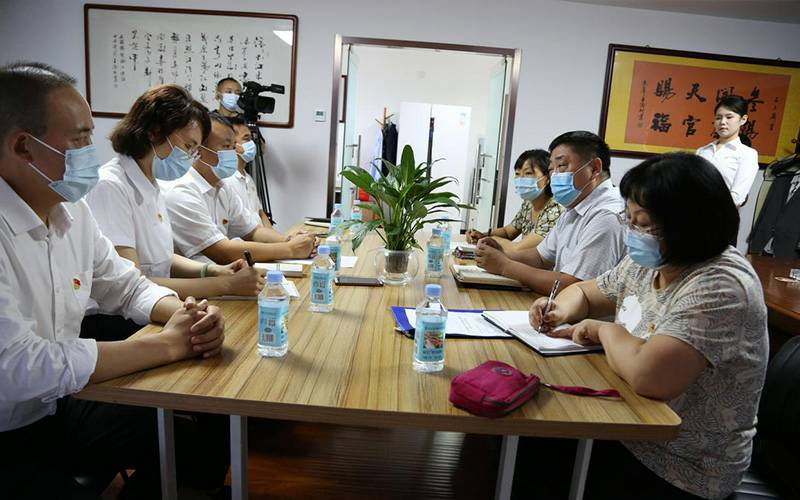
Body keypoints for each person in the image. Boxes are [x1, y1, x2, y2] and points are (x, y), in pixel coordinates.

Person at [0, 62, 229, 498]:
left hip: (58, 405)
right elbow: (15, 367)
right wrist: (166, 344)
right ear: (24, 146)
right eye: (79, 140)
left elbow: (125, 283)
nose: (92, 151)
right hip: (9, 430)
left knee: (189, 437)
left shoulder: (71, 210)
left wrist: (186, 315)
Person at [528, 152, 768, 499]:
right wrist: (558, 309)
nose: (633, 232)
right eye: (629, 220)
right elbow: (585, 292)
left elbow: (650, 377)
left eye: (643, 223)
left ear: (690, 224)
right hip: (625, 427)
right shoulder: (653, 260)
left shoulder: (722, 284)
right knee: (528, 442)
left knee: (537, 459)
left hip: (682, 465)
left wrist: (605, 331)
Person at [86, 84, 264, 307]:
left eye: (194, 149)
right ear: (154, 131)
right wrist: (226, 284)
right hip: (120, 315)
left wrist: (213, 271)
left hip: (155, 303)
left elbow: (162, 259)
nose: (190, 156)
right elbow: (131, 284)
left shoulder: (151, 182)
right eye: (188, 146)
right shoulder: (110, 186)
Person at [475, 131, 625, 296]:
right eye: (552, 169)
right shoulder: (575, 205)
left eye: (562, 166)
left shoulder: (607, 216)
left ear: (595, 168)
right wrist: (503, 254)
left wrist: (505, 266)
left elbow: (575, 287)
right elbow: (540, 257)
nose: (555, 176)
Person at [163, 112, 317, 264]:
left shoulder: (222, 187)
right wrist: (290, 249)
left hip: (221, 272)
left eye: (233, 147)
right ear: (199, 150)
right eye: (225, 147)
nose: (233, 153)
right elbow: (221, 251)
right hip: (194, 278)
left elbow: (252, 231)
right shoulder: (181, 190)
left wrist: (290, 239)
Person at [466, 149, 564, 251]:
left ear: (547, 178)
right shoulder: (528, 204)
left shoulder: (555, 210)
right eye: (517, 173)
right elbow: (508, 232)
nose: (521, 178)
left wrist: (488, 239)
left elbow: (518, 249)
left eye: (528, 173)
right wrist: (483, 235)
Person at [696, 95, 760, 207]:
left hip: (720, 214)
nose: (722, 122)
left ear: (743, 119)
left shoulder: (748, 154)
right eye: (718, 118)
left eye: (729, 117)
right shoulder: (702, 151)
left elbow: (737, 197)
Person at [224, 114, 275, 228]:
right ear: (232, 144)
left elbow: (260, 213)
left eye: (251, 139)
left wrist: (279, 237)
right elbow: (245, 230)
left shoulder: (248, 178)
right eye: (246, 139)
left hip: (260, 236)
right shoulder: (226, 181)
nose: (252, 144)